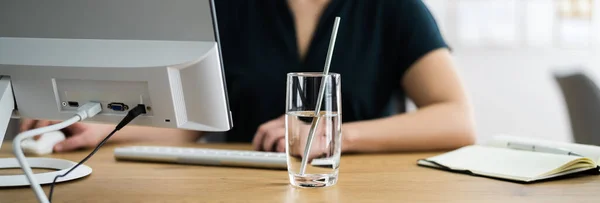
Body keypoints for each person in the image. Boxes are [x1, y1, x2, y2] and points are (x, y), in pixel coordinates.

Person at [20, 0, 476, 154]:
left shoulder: (395, 9)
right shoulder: (228, 9)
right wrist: (104, 127)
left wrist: (336, 135)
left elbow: (457, 120)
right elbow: (193, 125)